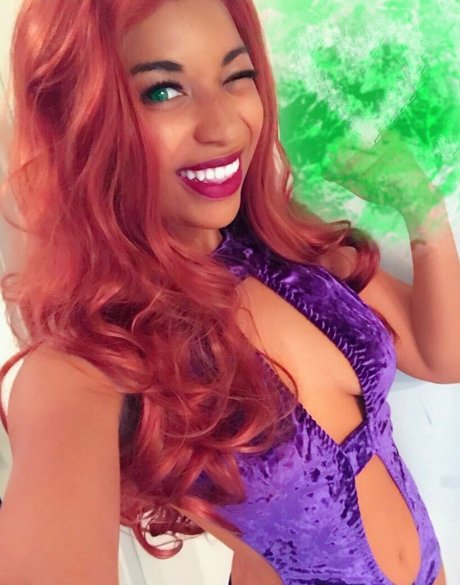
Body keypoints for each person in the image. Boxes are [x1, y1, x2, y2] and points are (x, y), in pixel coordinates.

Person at [0, 0, 458, 583]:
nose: (222, 126)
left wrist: (421, 208)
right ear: (80, 119)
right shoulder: (90, 365)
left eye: (237, 76)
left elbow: (443, 357)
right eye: (162, 91)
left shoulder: (285, 251)